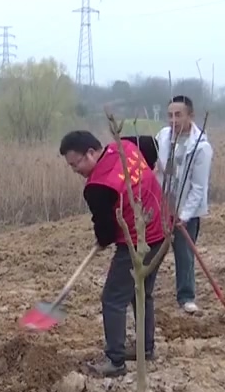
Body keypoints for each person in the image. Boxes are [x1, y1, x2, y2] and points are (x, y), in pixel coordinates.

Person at [59, 130, 165, 378]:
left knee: (112, 299)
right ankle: (145, 347)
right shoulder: (125, 146)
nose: (75, 170)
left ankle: (115, 361)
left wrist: (103, 235)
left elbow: (106, 235)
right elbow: (150, 143)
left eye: (76, 164)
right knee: (141, 294)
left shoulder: (97, 186)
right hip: (160, 230)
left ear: (92, 152)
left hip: (137, 242)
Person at [153, 95, 213, 314]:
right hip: (161, 207)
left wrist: (184, 215)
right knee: (152, 251)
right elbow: (158, 167)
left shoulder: (201, 147)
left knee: (185, 254)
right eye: (169, 115)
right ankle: (143, 289)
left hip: (185, 211)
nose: (173, 120)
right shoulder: (163, 136)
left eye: (178, 115)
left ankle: (186, 296)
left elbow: (199, 187)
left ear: (190, 116)